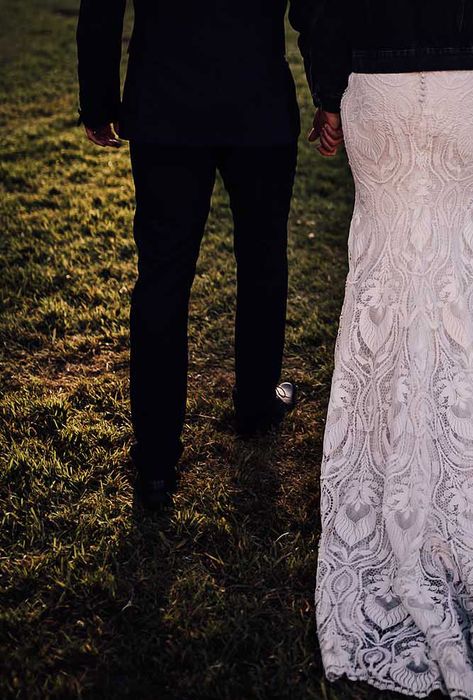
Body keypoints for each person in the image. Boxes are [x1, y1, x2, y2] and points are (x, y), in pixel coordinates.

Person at [308, 1, 473, 696]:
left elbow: (316, 7)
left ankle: (384, 460)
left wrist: (327, 90)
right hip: (467, 88)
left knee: (384, 274)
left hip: (377, 86)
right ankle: (451, 465)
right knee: (456, 271)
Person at [76, 1, 315, 510]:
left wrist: (98, 102)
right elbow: (314, 8)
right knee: (263, 261)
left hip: (167, 107)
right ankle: (255, 405)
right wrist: (329, 93)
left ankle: (157, 460)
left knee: (163, 275)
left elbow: (101, 8)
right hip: (258, 103)